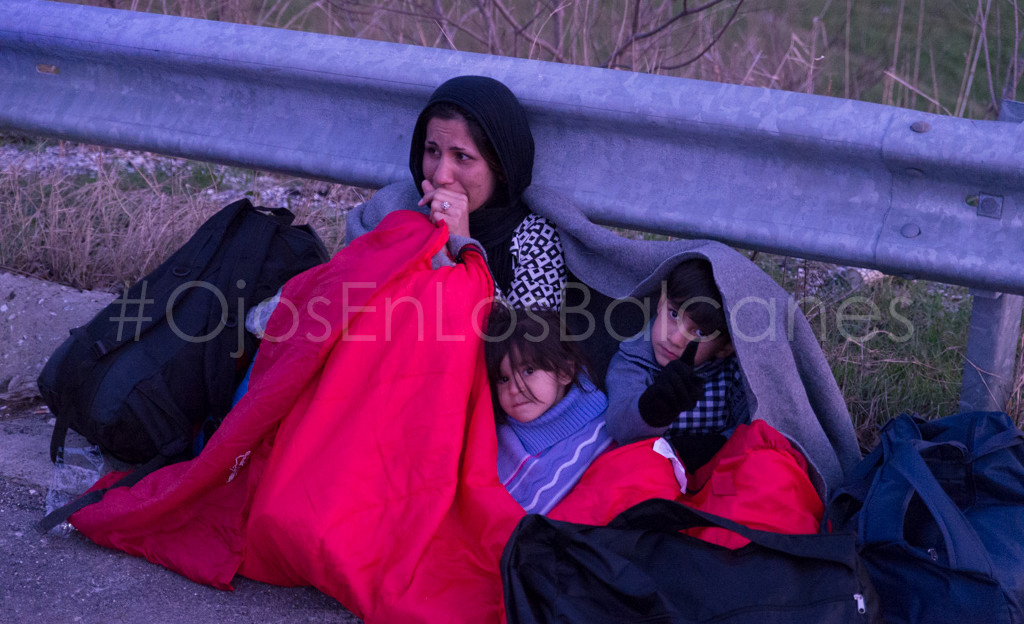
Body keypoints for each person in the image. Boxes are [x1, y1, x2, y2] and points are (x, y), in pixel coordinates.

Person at [604, 258, 749, 467]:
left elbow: (755, 427)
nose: (675, 339)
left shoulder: (735, 374)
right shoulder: (632, 361)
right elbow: (620, 425)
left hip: (718, 477)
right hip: (647, 473)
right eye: (674, 314)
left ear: (726, 346)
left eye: (700, 332)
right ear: (661, 302)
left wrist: (716, 445)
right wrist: (655, 408)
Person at [484, 306, 611, 515]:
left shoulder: (604, 427)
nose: (515, 389)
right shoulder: (496, 440)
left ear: (564, 372)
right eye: (504, 378)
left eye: (529, 371)